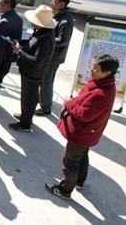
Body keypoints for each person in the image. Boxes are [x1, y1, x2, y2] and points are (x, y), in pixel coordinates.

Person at [45, 54, 119, 200]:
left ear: (107, 73)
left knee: (70, 162)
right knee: (82, 155)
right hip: (87, 133)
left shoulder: (101, 93)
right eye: (92, 66)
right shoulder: (105, 84)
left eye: (96, 69)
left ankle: (65, 190)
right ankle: (79, 181)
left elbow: (84, 114)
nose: (92, 70)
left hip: (81, 132)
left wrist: (69, 103)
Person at [9, 5, 56, 133]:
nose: (31, 23)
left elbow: (36, 60)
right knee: (27, 97)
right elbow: (31, 42)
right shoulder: (41, 32)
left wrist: (19, 52)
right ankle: (26, 116)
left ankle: (25, 124)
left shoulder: (46, 39)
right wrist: (21, 42)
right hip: (28, 71)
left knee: (29, 98)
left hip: (33, 73)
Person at [37, 0, 74, 115]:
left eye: (54, 1)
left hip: (54, 56)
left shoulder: (65, 21)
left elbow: (63, 40)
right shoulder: (57, 15)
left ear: (62, 4)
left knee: (46, 81)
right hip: (49, 54)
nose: (51, 3)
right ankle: (42, 100)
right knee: (43, 80)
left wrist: (46, 41)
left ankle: (45, 107)